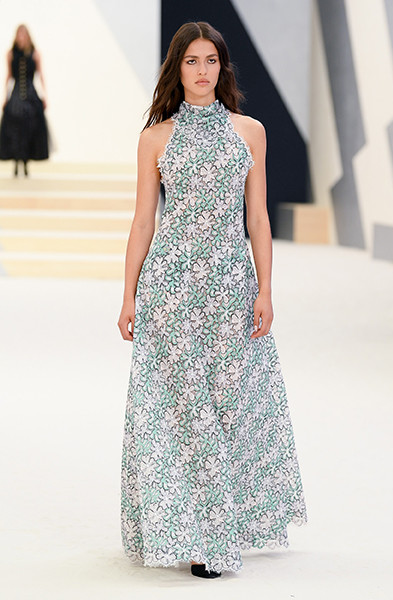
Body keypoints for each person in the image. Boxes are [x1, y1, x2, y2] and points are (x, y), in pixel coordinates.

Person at [118, 21, 308, 579]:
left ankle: (217, 525)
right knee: (182, 410)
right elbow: (143, 221)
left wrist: (265, 289)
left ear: (223, 67)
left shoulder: (250, 132)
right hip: (171, 290)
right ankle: (204, 540)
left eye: (211, 61)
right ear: (176, 69)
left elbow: (258, 218)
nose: (202, 71)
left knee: (227, 405)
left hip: (230, 288)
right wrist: (128, 296)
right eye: (191, 61)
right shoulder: (155, 138)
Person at [0, 24, 49, 177]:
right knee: (13, 125)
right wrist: (5, 96)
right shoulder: (10, 54)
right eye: (19, 34)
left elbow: (40, 75)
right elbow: (9, 76)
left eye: (23, 34)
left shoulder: (35, 54)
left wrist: (44, 95)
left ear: (28, 36)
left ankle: (26, 161)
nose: (21, 37)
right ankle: (16, 161)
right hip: (16, 93)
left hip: (30, 93)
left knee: (30, 126)